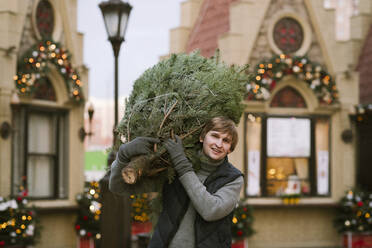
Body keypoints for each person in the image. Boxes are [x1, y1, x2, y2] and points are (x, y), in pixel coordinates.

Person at [109, 116, 244, 248]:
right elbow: (118, 187)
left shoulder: (233, 179)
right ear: (202, 137)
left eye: (226, 141)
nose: (219, 144)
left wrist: (182, 164)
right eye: (215, 136)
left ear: (230, 149)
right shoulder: (171, 168)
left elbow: (211, 211)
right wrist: (123, 155)